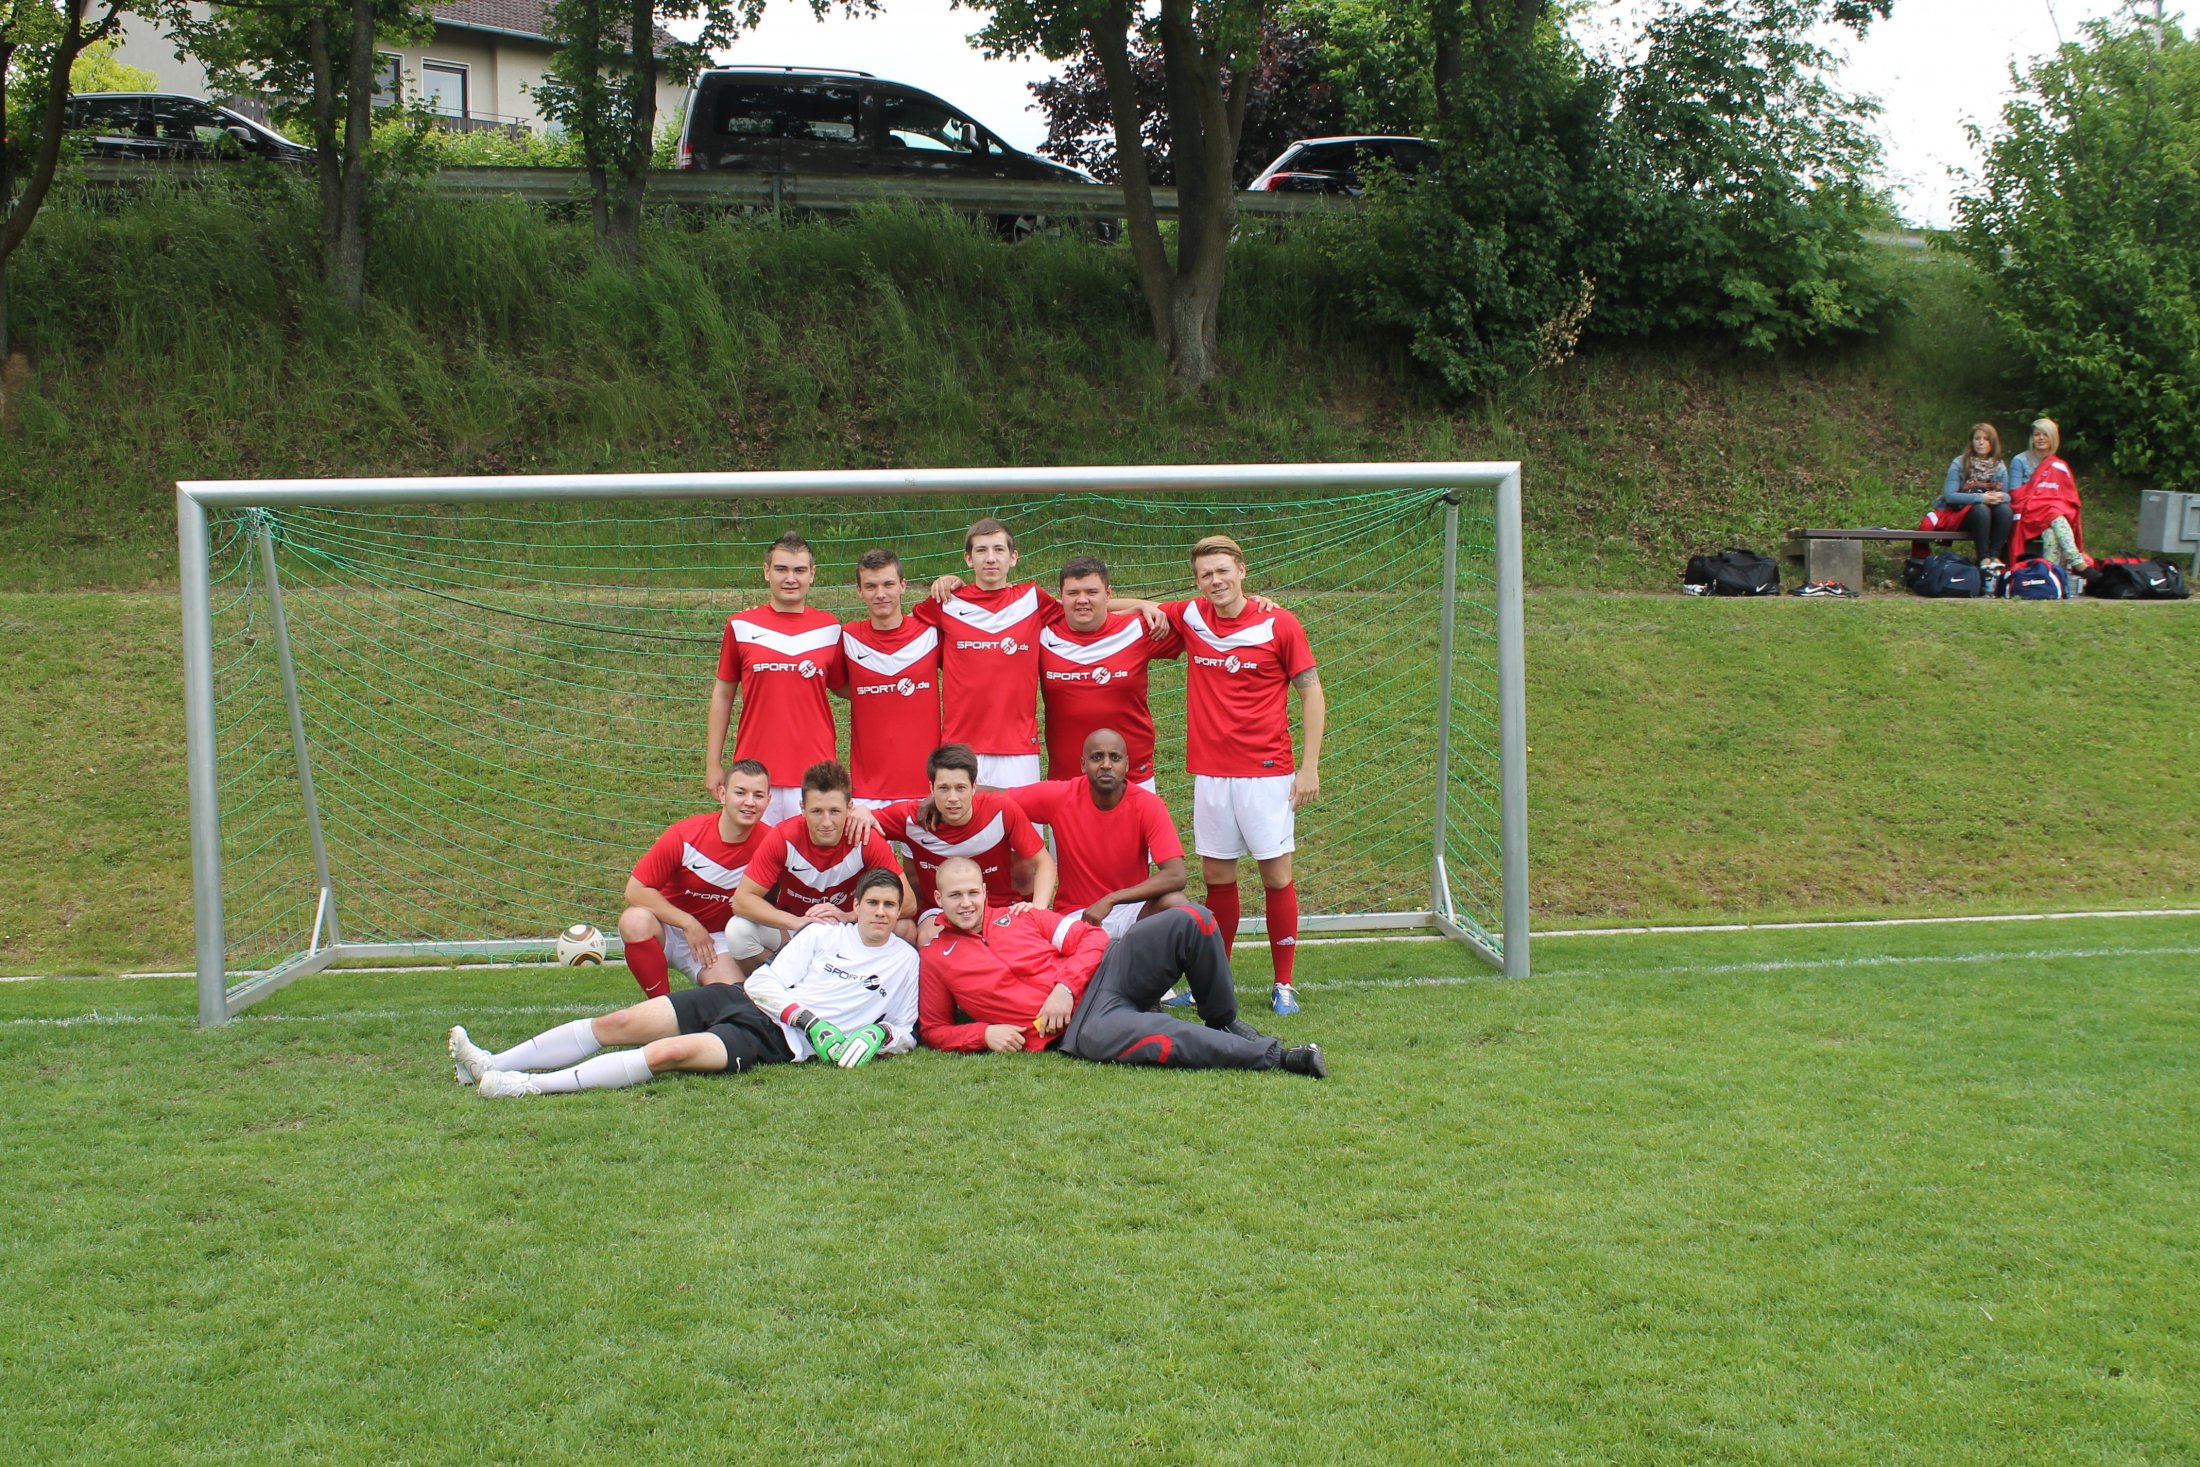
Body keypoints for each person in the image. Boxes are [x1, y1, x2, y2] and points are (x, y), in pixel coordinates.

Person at [449, 868, 919, 1096]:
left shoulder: (905, 961)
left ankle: (526, 1086)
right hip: (742, 1000)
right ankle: (488, 1063)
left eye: (889, 905)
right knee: (619, 1023)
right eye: (872, 903)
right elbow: (764, 984)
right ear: (855, 906)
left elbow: (905, 1028)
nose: (880, 913)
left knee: (667, 1054)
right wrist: (811, 1020)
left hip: (774, 1040)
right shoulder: (822, 934)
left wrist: (878, 1035)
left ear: (900, 910)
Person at [917, 856, 1325, 1076]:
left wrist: (1064, 986)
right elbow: (934, 1030)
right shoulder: (935, 958)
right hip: (1083, 1027)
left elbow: (1092, 938)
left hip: (1111, 969)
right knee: (1167, 1035)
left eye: (972, 893)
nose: (966, 903)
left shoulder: (1023, 916)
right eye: (955, 896)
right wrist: (983, 1033)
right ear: (938, 898)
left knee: (1193, 918)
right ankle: (1279, 1057)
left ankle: (1224, 1020)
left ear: (984, 891)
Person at [1153, 534, 1324, 1015]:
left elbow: (1312, 692)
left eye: (1223, 571)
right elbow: (1124, 606)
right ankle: (1215, 981)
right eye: (1206, 574)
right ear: (1196, 581)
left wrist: (1309, 766)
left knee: (1276, 874)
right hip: (1211, 774)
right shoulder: (1191, 616)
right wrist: (1127, 603)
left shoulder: (1279, 623)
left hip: (1266, 773)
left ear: (1242, 570)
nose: (1215, 581)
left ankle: (1284, 983)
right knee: (1216, 876)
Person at [705, 531, 844, 824]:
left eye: (799, 570)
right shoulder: (741, 625)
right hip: (754, 775)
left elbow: (849, 687)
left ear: (812, 574)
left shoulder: (830, 628)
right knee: (754, 854)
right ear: (766, 571)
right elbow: (723, 694)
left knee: (809, 854)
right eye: (781, 569)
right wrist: (712, 763)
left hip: (814, 775)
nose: (790, 578)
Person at [913, 517, 1059, 791]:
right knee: (960, 818)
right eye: (981, 550)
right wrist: (950, 581)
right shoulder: (946, 602)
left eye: (998, 549)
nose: (990, 558)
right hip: (960, 746)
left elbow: (1084, 609)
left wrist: (1138, 607)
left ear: (1013, 557)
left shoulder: (1032, 599)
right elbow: (902, 628)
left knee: (1021, 818)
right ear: (968, 559)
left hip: (1017, 748)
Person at [853, 743, 1054, 941]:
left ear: (974, 787)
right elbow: (855, 821)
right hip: (938, 911)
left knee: (1016, 944)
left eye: (960, 788)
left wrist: (1037, 908)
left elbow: (1044, 863)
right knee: (928, 938)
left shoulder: (1002, 810)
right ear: (931, 788)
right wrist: (861, 811)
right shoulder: (911, 818)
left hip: (998, 907)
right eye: (943, 788)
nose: (953, 798)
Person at [1011, 728, 1191, 940]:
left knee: (1177, 905)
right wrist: (971, 789)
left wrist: (1111, 900)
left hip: (1130, 908)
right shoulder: (1061, 797)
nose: (1106, 764)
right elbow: (1000, 799)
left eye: (1115, 757)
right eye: (1097, 757)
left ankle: (1160, 962)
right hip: (1077, 915)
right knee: (1095, 952)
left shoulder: (1148, 804)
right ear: (1083, 764)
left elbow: (1176, 875)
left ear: (1126, 764)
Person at [615, 758, 773, 999]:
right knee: (635, 921)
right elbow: (635, 890)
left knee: (734, 999)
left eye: (758, 795)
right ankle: (659, 1005)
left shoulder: (772, 844)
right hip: (669, 928)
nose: (749, 802)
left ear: (768, 800)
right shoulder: (685, 835)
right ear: (722, 794)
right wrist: (688, 923)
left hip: (715, 940)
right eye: (740, 792)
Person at [729, 760, 913, 967]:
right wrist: (797, 922)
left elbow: (908, 903)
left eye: (835, 811)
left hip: (850, 930)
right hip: (795, 929)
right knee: (738, 931)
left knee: (904, 928)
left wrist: (849, 916)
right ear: (802, 808)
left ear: (849, 808)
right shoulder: (783, 837)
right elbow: (742, 900)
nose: (826, 822)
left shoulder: (865, 840)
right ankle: (774, 982)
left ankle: (867, 981)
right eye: (817, 811)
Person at [1037, 556, 1183, 792]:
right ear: (1061, 596)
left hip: (1133, 775)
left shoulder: (1139, 628)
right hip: (1067, 779)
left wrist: (1144, 606)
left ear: (1108, 594)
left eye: (1092, 592)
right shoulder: (1043, 636)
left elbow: (1200, 620)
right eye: (1073, 593)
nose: (1082, 599)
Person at [836, 548, 942, 809]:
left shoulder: (930, 632)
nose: (880, 594)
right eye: (870, 586)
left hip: (926, 786)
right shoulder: (847, 637)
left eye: (888, 584)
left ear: (903, 586)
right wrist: (877, 689)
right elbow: (837, 684)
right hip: (868, 791)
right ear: (859, 591)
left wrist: (953, 581)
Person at [2007, 417, 2091, 590]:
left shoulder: (2059, 465)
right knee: (2054, 513)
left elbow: (2068, 494)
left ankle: (2049, 575)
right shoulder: (2020, 461)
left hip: (2051, 514)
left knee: (2052, 529)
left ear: (2053, 438)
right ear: (2032, 438)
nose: (2041, 438)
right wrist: (2038, 496)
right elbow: (2014, 493)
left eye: (2045, 434)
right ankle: (2077, 561)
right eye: (2037, 434)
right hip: (2028, 511)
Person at [1914, 423, 2013, 565]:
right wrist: (1981, 498)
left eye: (1986, 439)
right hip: (1961, 514)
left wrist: (2000, 497)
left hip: (1991, 514)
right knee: (1981, 509)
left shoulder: (1999, 465)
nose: (1981, 442)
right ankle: (1983, 559)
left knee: (2005, 510)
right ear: (1972, 441)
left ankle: (1994, 557)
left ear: (1993, 443)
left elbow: (2008, 495)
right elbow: (1950, 496)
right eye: (1977, 438)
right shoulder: (1959, 463)